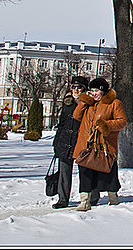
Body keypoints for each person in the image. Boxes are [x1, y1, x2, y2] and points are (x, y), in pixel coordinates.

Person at [72, 77, 127, 211]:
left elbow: (122, 122)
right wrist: (83, 101)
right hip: (86, 145)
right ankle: (84, 202)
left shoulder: (114, 103)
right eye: (91, 91)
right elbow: (76, 116)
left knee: (109, 173)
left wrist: (106, 125)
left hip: (104, 146)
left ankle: (113, 198)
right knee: (84, 173)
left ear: (103, 91)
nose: (93, 94)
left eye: (96, 91)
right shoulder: (88, 104)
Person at [51, 75, 88, 209]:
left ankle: (89, 197)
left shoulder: (88, 104)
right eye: (73, 87)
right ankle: (63, 199)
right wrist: (57, 141)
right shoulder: (67, 103)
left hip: (81, 142)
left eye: (79, 87)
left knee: (85, 172)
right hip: (65, 142)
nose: (76, 90)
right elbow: (61, 124)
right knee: (64, 172)